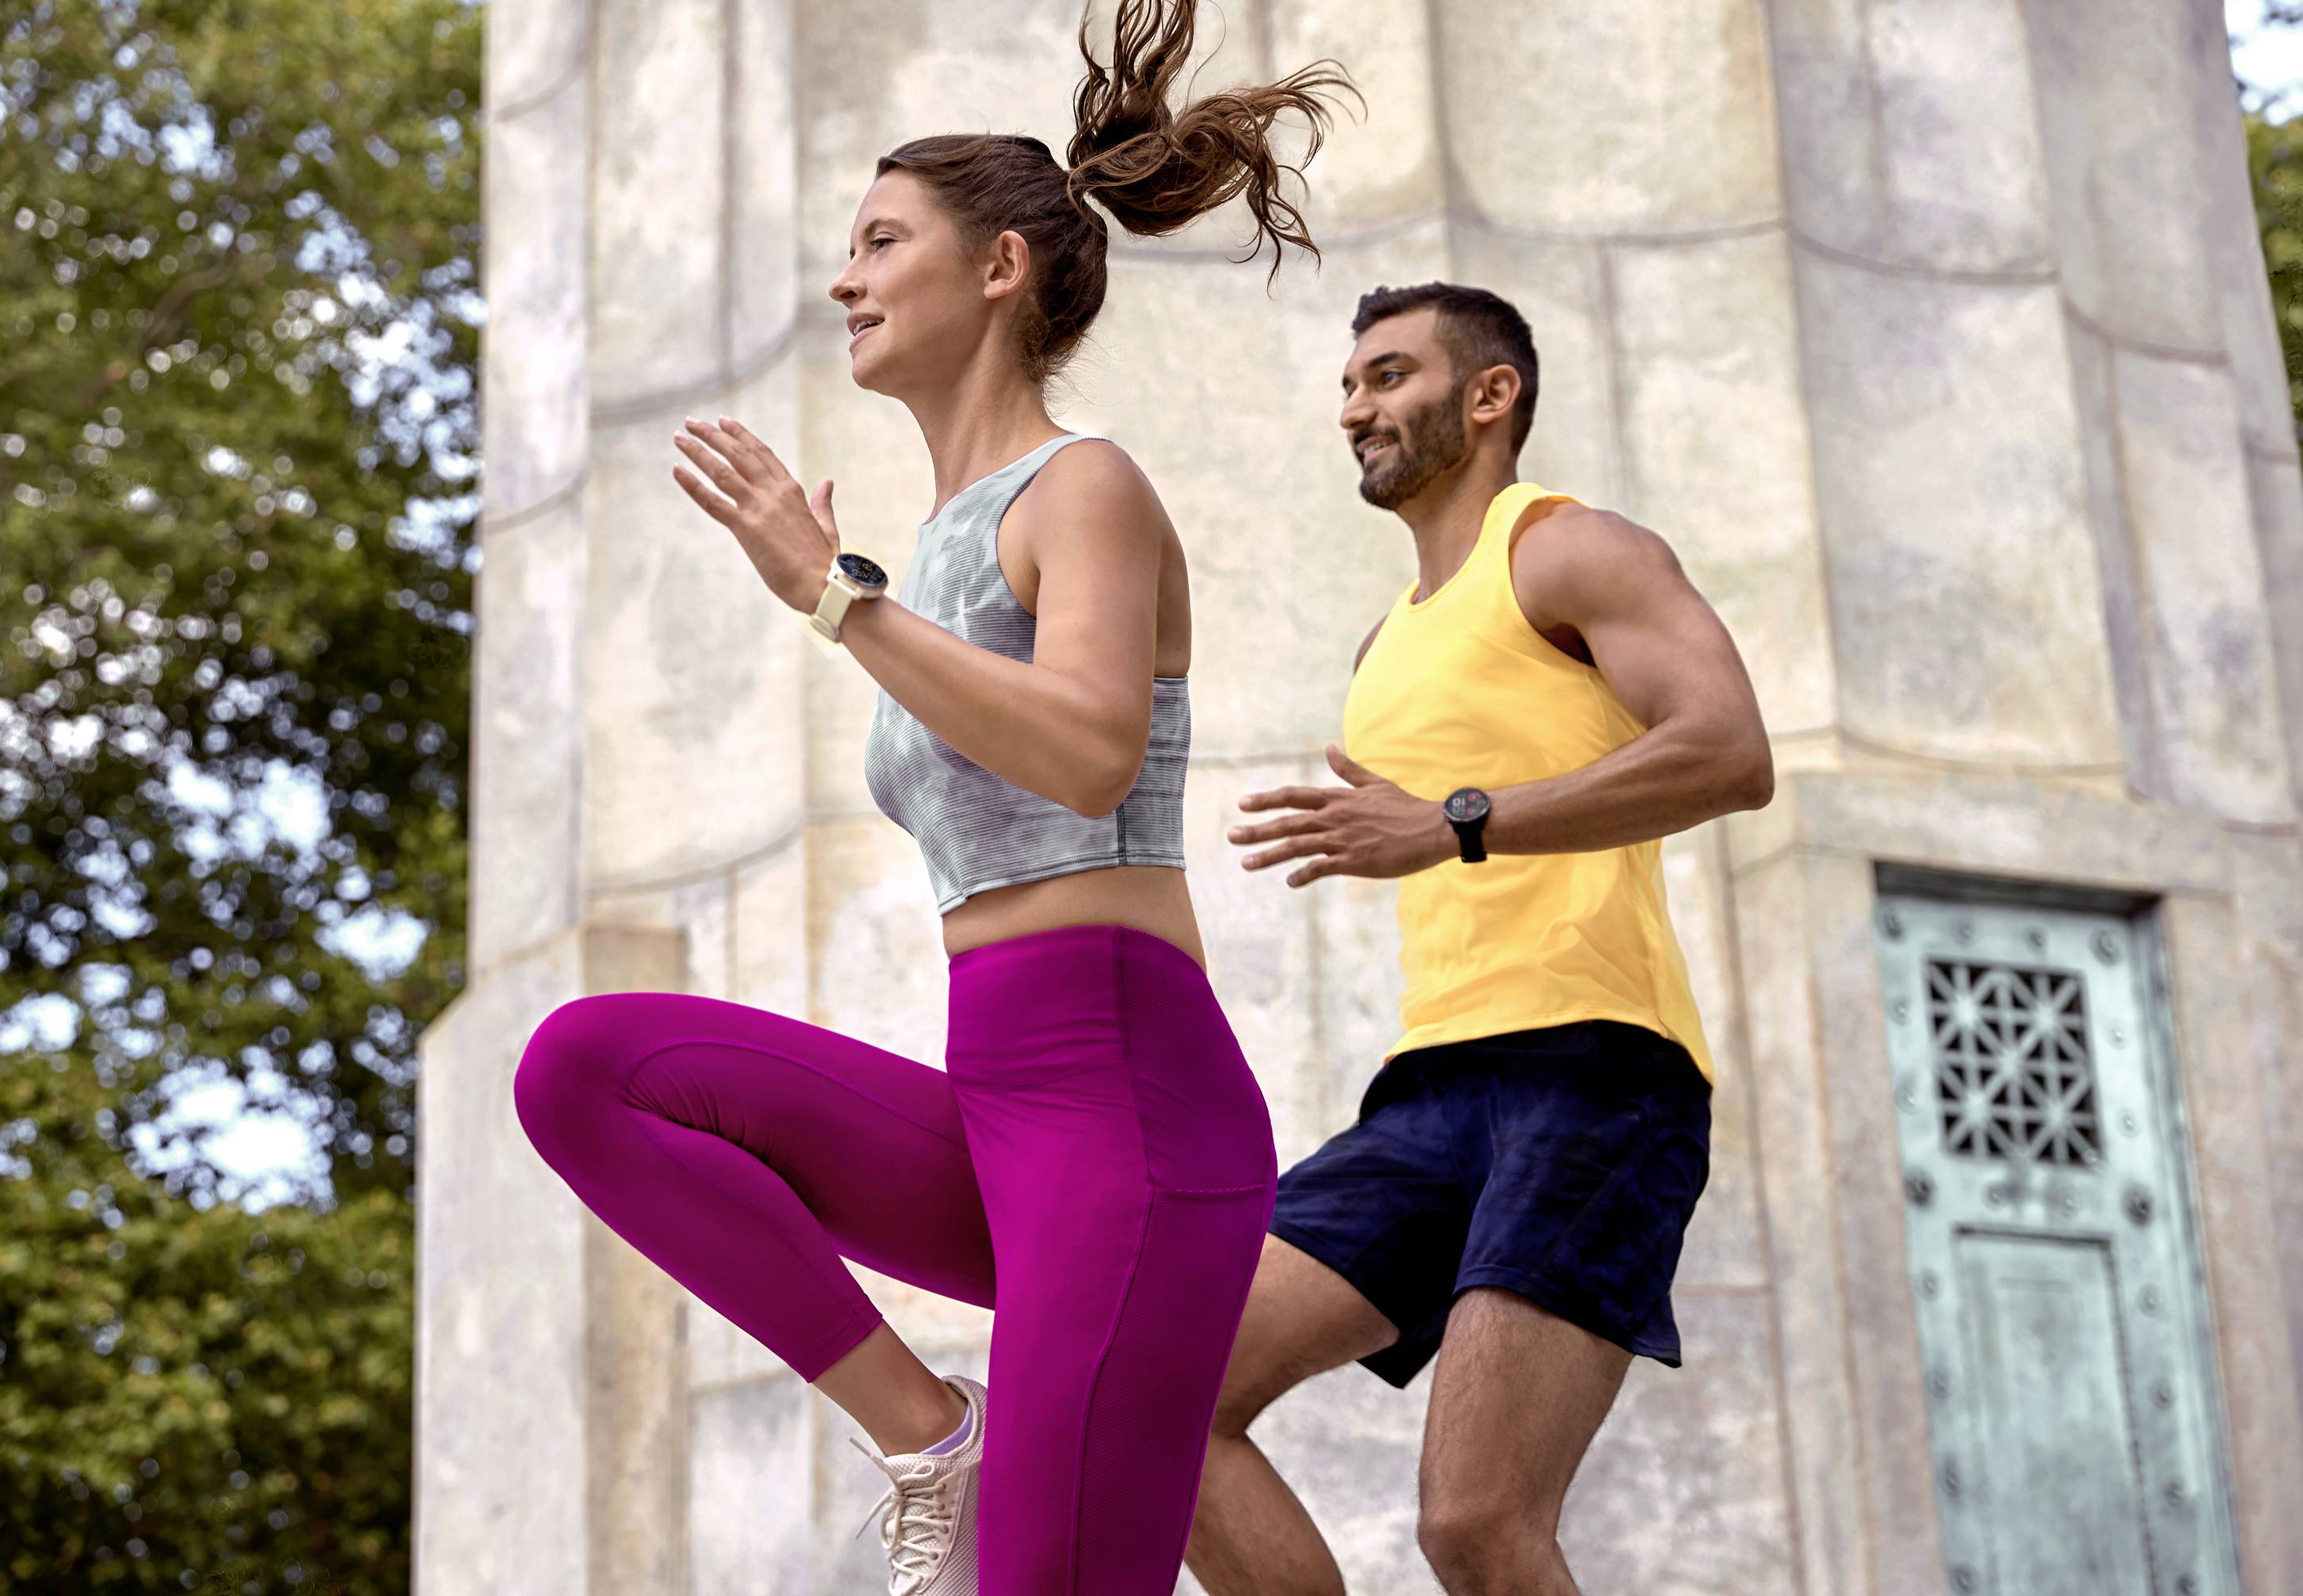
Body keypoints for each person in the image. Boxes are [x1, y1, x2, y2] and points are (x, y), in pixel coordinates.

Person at [510, 7, 1357, 1594]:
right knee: (586, 1069)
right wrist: (853, 596)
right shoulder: (943, 534)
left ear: (998, 270)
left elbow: (1091, 750)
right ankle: (927, 1435)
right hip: (997, 1102)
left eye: (881, 241)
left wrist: (837, 600)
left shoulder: (1084, 486)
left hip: (1128, 1107)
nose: (846, 279)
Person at [1183, 283, 1776, 1596]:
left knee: (1477, 1525)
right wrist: (1422, 823)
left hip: (1598, 1073)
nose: (1356, 408)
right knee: (1165, 1393)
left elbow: (1732, 753)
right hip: (1431, 1091)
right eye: (1349, 386)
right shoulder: (1384, 643)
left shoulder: (1568, 551)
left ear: (1490, 394)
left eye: (1390, 376)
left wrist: (1455, 821)